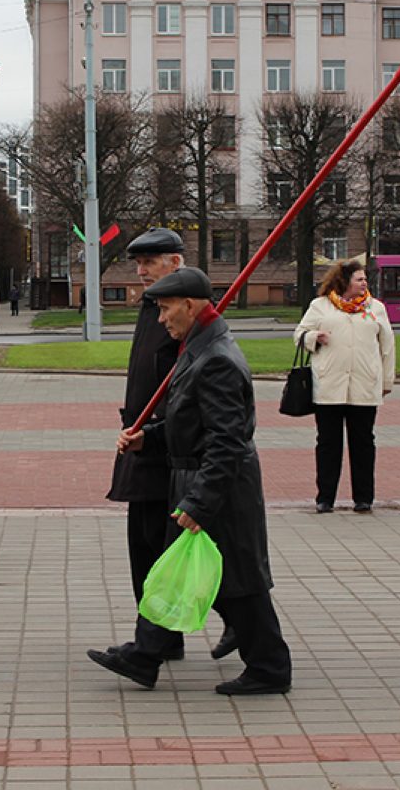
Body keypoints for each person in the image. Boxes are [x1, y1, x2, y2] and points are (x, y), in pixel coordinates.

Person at [90, 267, 292, 695]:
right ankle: (146, 655)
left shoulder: (216, 358)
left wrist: (200, 503)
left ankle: (270, 667)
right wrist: (151, 438)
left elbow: (226, 440)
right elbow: (191, 420)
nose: (161, 318)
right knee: (181, 574)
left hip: (219, 485)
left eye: (165, 309)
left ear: (190, 304)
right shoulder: (198, 347)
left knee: (239, 583)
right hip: (198, 478)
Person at [105, 229, 188, 664]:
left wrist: (155, 433)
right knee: (141, 545)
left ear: (174, 263)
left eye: (150, 262)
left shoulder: (184, 310)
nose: (140, 271)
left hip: (167, 451)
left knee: (160, 548)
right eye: (138, 263)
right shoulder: (150, 307)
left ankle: (158, 638)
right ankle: (159, 637)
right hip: (139, 445)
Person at [294, 259, 395, 514]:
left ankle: (363, 498)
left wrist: (386, 381)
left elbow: (387, 346)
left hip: (364, 385)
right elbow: (299, 334)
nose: (364, 283)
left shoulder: (376, 308)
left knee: (363, 443)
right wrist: (314, 337)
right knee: (328, 443)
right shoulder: (321, 306)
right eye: (359, 279)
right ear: (344, 281)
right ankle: (325, 497)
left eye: (365, 279)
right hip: (329, 386)